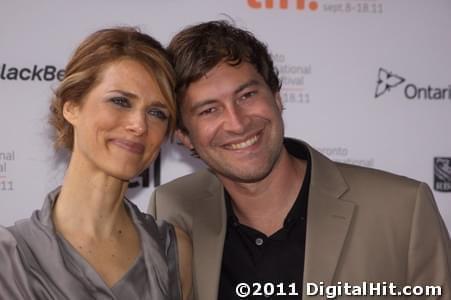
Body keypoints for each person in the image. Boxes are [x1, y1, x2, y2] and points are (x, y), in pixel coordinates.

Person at [149, 21, 451, 300]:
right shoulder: (174, 210)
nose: (237, 123)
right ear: (183, 135)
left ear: (277, 97)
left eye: (247, 95)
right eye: (209, 110)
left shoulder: (401, 209)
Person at [0, 27, 191, 300]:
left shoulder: (173, 250)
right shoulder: (9, 257)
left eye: (157, 113)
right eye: (120, 101)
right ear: (71, 107)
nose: (139, 125)